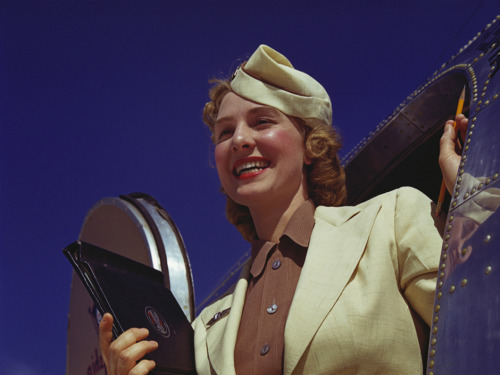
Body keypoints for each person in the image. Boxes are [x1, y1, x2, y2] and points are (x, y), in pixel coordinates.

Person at [99, 45, 467, 374]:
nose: (240, 139)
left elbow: (480, 320)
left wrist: (473, 194)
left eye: (262, 122)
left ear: (311, 145)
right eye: (225, 133)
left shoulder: (392, 219)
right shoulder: (202, 332)